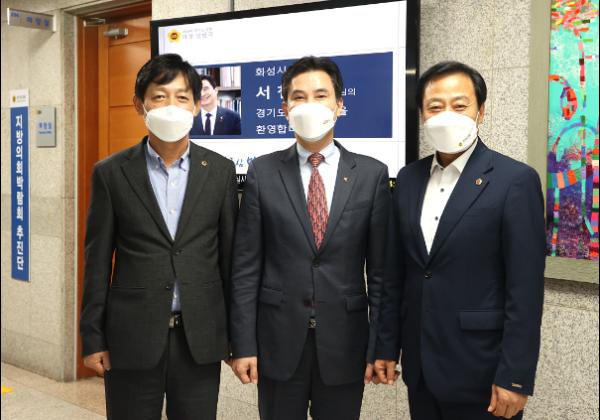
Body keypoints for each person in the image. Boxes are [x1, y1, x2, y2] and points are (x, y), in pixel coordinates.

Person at [374, 61, 546, 420]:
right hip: (420, 369)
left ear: (481, 111)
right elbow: (395, 275)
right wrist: (386, 346)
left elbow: (525, 291)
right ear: (422, 115)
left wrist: (515, 376)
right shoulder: (407, 179)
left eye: (459, 105)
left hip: (483, 372)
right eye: (435, 106)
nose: (446, 115)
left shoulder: (515, 180)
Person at [229, 56, 390, 420]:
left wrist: (381, 346)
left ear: (339, 105)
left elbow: (381, 274)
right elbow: (246, 269)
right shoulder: (262, 172)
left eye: (320, 96)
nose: (310, 105)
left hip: (346, 342)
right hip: (277, 340)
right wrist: (243, 344)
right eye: (299, 97)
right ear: (285, 108)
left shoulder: (371, 175)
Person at [80, 53, 238, 420]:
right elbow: (97, 262)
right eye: (159, 96)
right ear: (140, 104)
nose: (171, 107)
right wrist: (92, 337)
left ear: (196, 106)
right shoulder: (111, 173)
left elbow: (230, 259)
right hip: (131, 337)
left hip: (199, 337)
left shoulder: (219, 171)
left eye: (182, 97)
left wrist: (237, 338)